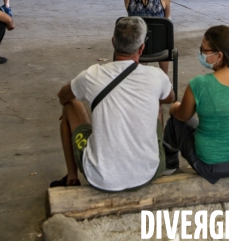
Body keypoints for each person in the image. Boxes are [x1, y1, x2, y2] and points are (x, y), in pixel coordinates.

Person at [50, 17, 174, 190]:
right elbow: (169, 98)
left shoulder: (91, 75)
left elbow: (63, 95)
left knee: (71, 105)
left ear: (113, 42)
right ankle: (153, 153)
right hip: (148, 171)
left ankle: (72, 177)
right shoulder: (156, 75)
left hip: (100, 178)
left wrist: (68, 105)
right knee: (158, 103)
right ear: (142, 48)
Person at [163, 25, 229, 184]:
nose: (201, 54)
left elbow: (183, 115)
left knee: (176, 121)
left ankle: (169, 167)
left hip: (211, 165)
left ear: (219, 55)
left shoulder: (199, 85)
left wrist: (174, 107)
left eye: (204, 51)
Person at [124, 0, 171, 74]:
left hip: (134, 43)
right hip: (158, 44)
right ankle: (165, 78)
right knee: (163, 33)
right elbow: (167, 20)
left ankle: (141, 74)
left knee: (140, 28)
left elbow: (131, 16)